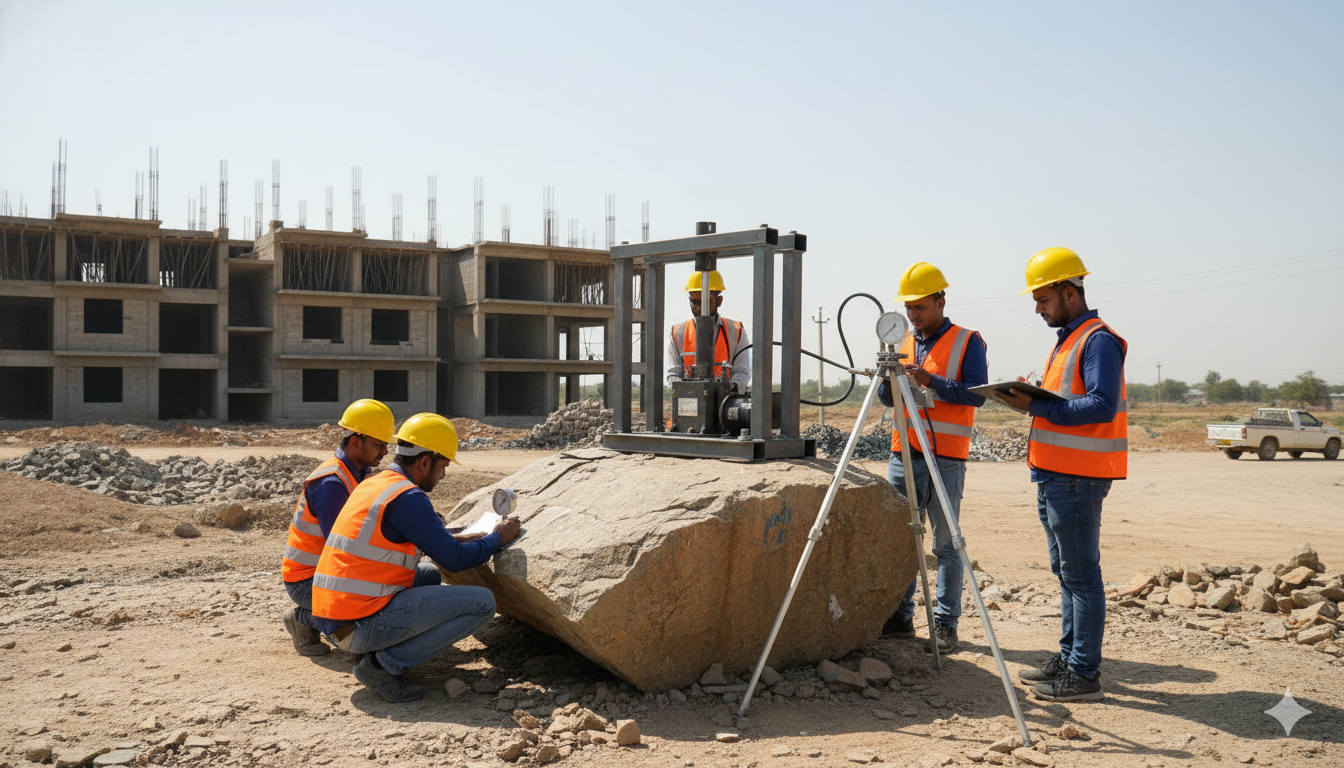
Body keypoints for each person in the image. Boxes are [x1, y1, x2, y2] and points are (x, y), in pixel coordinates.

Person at [310, 412, 521, 702]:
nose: (443, 475)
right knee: (482, 604)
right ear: (425, 462)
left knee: (429, 575)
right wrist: (498, 539)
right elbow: (455, 560)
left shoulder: (377, 484)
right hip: (354, 627)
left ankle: (378, 647)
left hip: (333, 616)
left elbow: (413, 541)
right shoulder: (408, 497)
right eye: (442, 466)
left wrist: (463, 538)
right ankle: (382, 666)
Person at [995, 247, 1127, 703]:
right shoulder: (1069, 338)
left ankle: (1084, 674)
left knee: (1081, 574)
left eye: (1043, 299)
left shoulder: (1098, 339)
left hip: (1077, 476)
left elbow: (1101, 404)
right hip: (1055, 474)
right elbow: (1066, 399)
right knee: (1066, 571)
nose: (1037, 308)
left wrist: (1033, 404)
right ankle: (1071, 657)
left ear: (1069, 293)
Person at [877, 262, 987, 654]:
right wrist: (888, 380)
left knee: (945, 544)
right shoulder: (902, 342)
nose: (913, 314)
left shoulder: (967, 341)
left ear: (941, 301)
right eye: (909, 307)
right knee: (903, 540)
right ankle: (900, 617)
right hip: (903, 453)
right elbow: (888, 400)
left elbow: (976, 394)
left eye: (920, 306)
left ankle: (945, 624)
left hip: (945, 457)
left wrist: (930, 380)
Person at [280, 399, 394, 656]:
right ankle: (303, 619)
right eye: (378, 444)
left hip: (327, 571)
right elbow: (344, 545)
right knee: (369, 607)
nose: (385, 452)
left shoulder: (359, 471)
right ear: (355, 441)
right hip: (306, 580)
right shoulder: (331, 482)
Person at [666, 270, 750, 388]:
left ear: (719, 301)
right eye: (694, 302)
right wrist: (686, 394)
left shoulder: (736, 331)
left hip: (725, 402)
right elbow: (673, 374)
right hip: (691, 402)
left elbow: (741, 372)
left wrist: (729, 391)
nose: (699, 308)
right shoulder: (677, 333)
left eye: (705, 302)